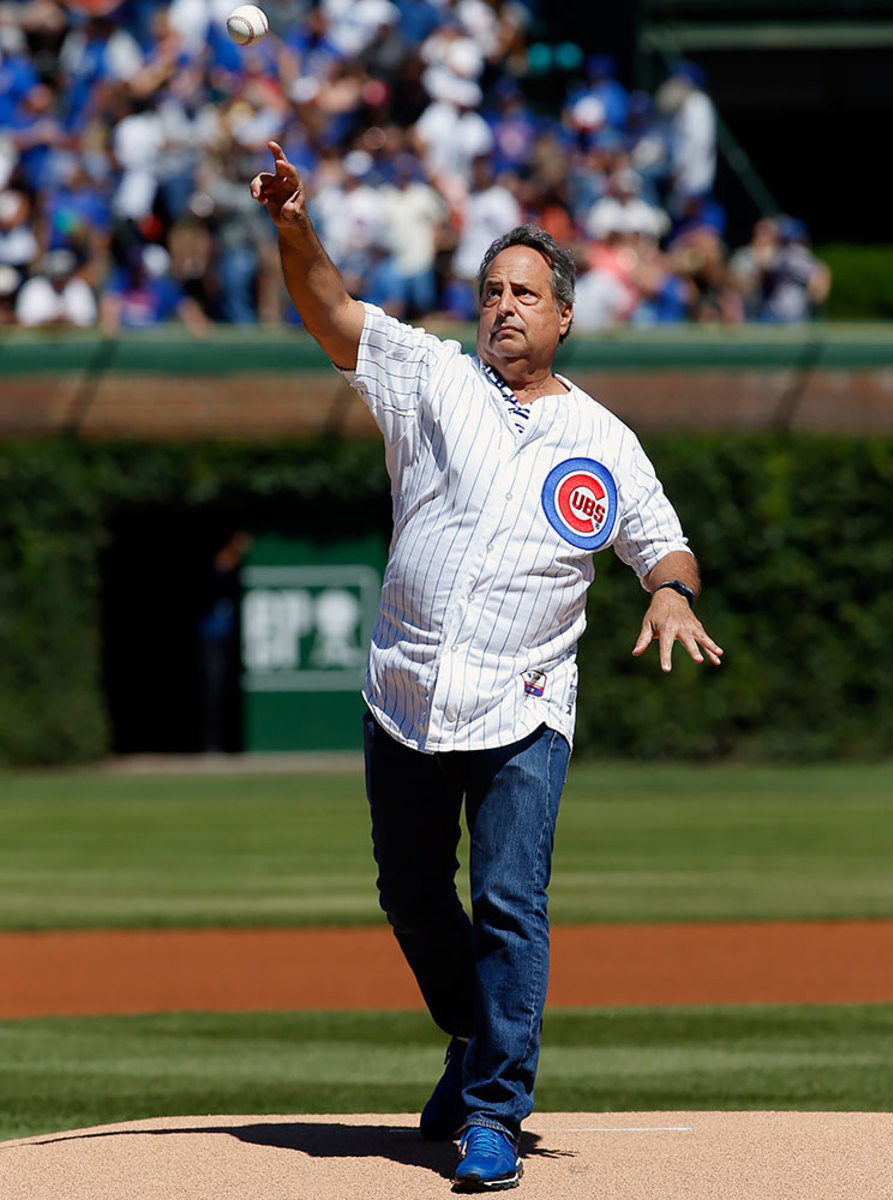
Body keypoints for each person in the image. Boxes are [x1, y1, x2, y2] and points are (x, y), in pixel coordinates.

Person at [252, 139, 723, 1192]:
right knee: (414, 899)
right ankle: (471, 1037)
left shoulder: (603, 440)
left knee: (511, 905)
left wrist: (669, 590)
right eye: (492, 289)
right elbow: (331, 308)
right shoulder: (427, 375)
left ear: (563, 317)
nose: (504, 305)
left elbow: (665, 543)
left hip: (524, 704)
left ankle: (495, 1115)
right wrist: (292, 223)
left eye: (526, 292)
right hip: (406, 694)